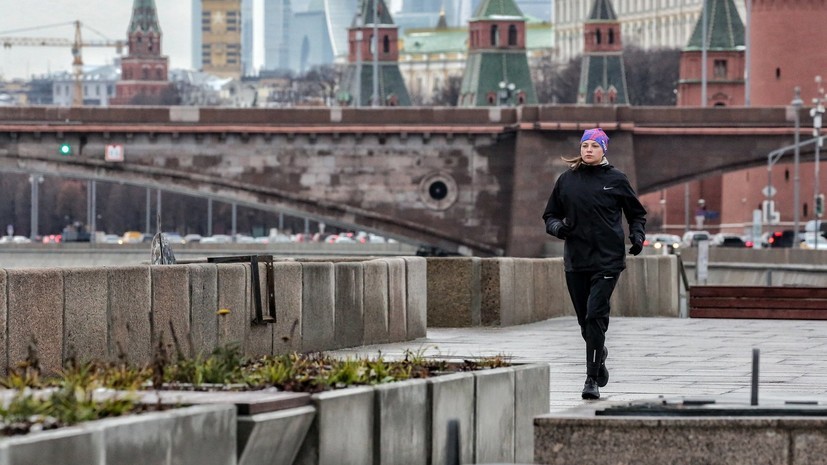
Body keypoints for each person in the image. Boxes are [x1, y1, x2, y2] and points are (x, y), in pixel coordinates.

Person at [542, 128, 647, 400]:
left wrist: (637, 236)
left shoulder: (616, 180)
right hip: (576, 260)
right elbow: (551, 214)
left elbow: (636, 213)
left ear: (604, 150)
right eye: (585, 145)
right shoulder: (566, 180)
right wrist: (558, 229)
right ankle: (599, 353)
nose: (588, 150)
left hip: (608, 260)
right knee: (584, 322)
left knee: (594, 315)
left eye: (594, 146)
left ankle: (591, 379)